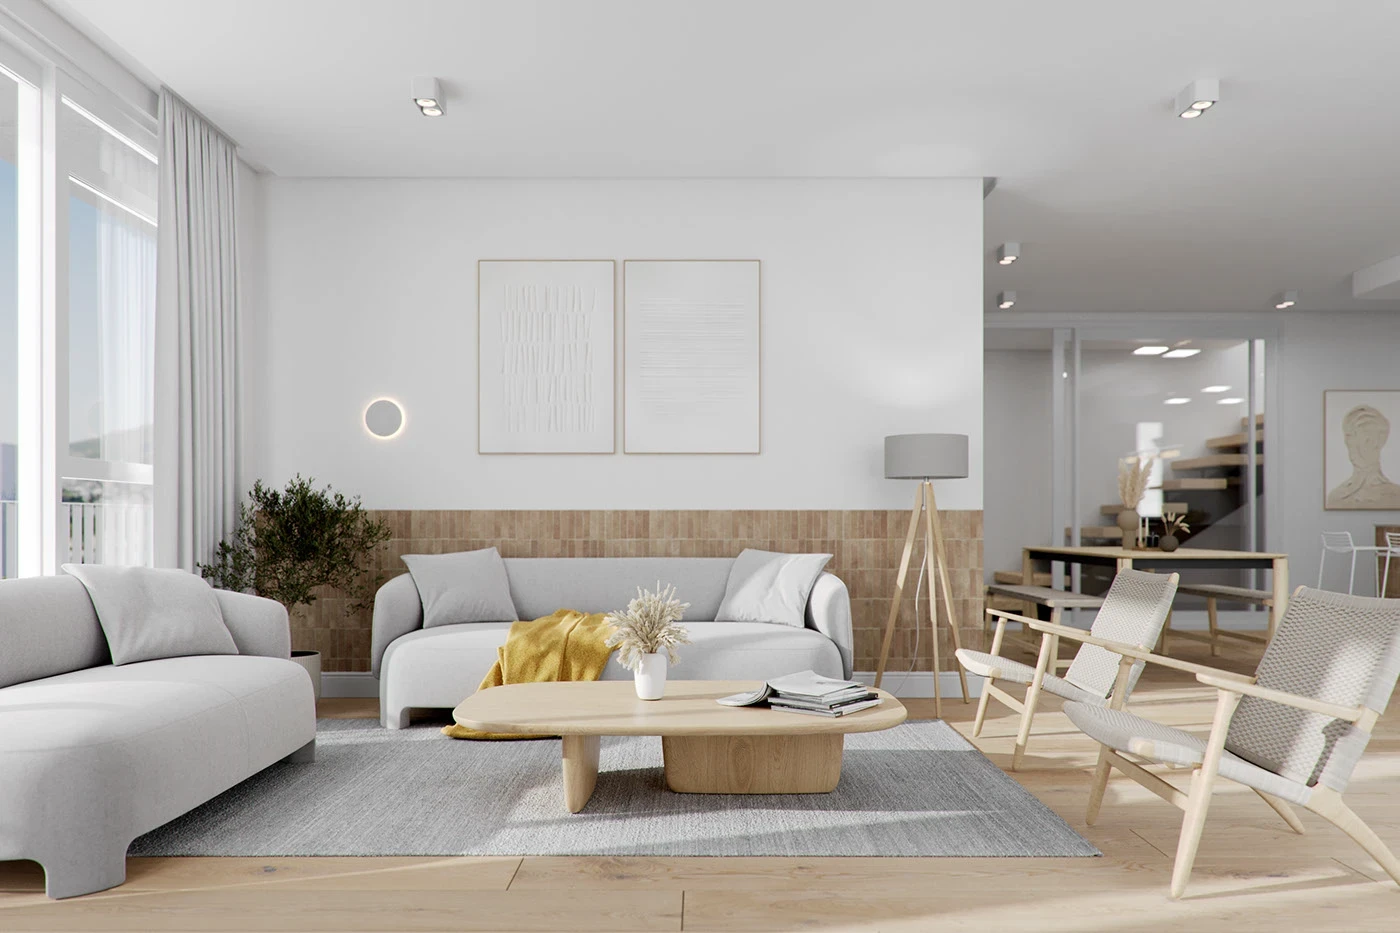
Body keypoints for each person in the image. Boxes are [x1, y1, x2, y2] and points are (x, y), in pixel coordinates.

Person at [1327, 404, 1400, 509]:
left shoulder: (1395, 495)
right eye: (1349, 437)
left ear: (1377, 442)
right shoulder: (1336, 497)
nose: (1352, 445)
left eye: (1366, 438)